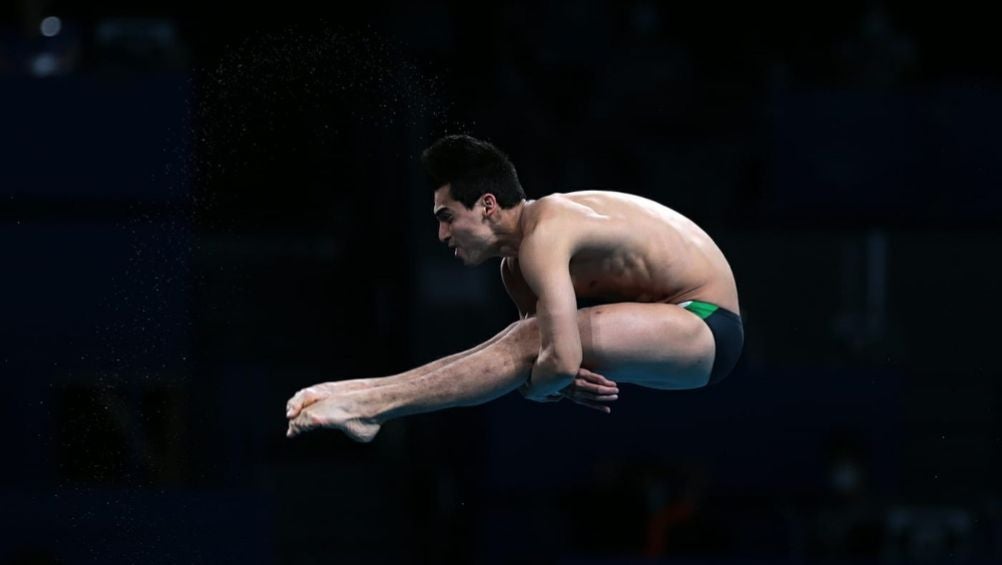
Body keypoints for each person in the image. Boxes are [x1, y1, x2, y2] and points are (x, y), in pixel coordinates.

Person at [285, 134, 743, 442]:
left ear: (487, 206)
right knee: (517, 337)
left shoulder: (546, 233)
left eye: (447, 218)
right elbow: (540, 362)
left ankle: (372, 407)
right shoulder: (514, 269)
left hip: (707, 321)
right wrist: (551, 376)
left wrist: (543, 384)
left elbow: (555, 365)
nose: (442, 236)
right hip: (676, 321)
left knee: (526, 340)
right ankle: (362, 393)